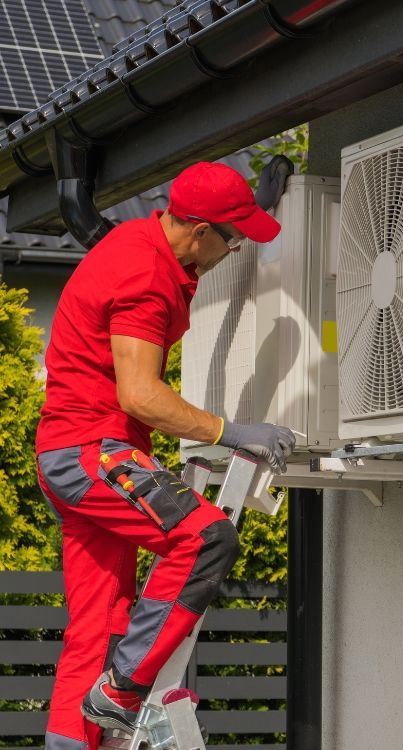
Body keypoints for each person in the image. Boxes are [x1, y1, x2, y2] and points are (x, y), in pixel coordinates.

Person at [35, 161, 296, 750]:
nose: (234, 250)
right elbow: (141, 394)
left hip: (67, 452)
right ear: (199, 230)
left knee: (98, 631)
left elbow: (207, 227)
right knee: (205, 539)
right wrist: (231, 431)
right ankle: (121, 693)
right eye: (232, 238)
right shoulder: (146, 275)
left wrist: (253, 209)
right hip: (92, 453)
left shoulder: (144, 241)